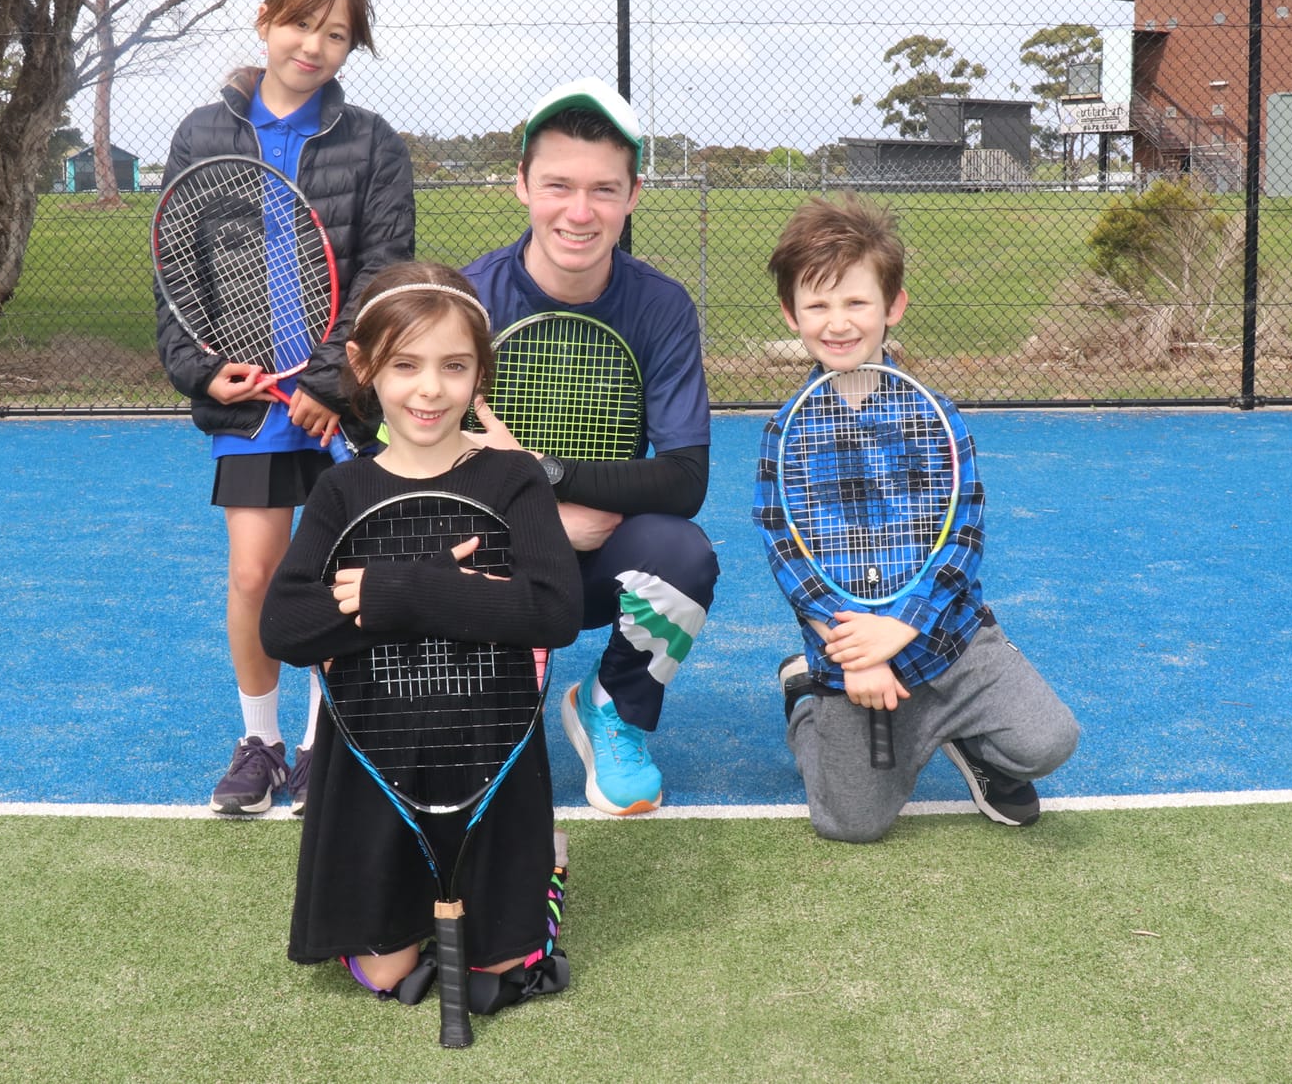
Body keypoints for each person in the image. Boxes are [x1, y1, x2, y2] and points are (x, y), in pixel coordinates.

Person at [259, 262, 578, 1014]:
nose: (429, 388)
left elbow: (556, 608)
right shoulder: (343, 490)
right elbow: (287, 624)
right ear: (366, 369)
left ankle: (545, 868)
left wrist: (404, 587)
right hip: (376, 763)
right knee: (388, 975)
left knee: (500, 982)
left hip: (490, 757)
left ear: (478, 375)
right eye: (405, 364)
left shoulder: (512, 479)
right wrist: (452, 585)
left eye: (453, 366)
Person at [156, 0, 414, 816]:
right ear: (266, 21)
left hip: (339, 405)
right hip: (253, 405)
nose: (314, 44)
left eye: (336, 33)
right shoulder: (200, 134)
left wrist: (338, 382)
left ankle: (318, 744)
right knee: (255, 577)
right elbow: (174, 273)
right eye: (301, 23)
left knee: (339, 575)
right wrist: (203, 372)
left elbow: (384, 275)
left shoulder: (373, 142)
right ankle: (260, 740)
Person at [753, 195, 1080, 843]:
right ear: (792, 313)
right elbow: (789, 554)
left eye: (855, 302)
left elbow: (962, 538)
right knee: (850, 822)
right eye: (818, 305)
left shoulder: (936, 416)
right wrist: (857, 654)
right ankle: (804, 701)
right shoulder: (785, 433)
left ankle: (970, 742)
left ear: (891, 306)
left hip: (949, 643)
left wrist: (899, 629)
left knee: (1050, 739)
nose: (838, 321)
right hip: (854, 661)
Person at [462, 79, 719, 816]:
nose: (580, 212)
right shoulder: (465, 300)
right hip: (495, 551)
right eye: (558, 186)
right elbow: (405, 464)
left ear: (633, 194)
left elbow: (684, 479)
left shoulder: (662, 306)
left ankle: (617, 708)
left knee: (682, 556)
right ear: (521, 186)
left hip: (598, 552)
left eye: (603, 189)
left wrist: (544, 475)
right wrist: (531, 513)